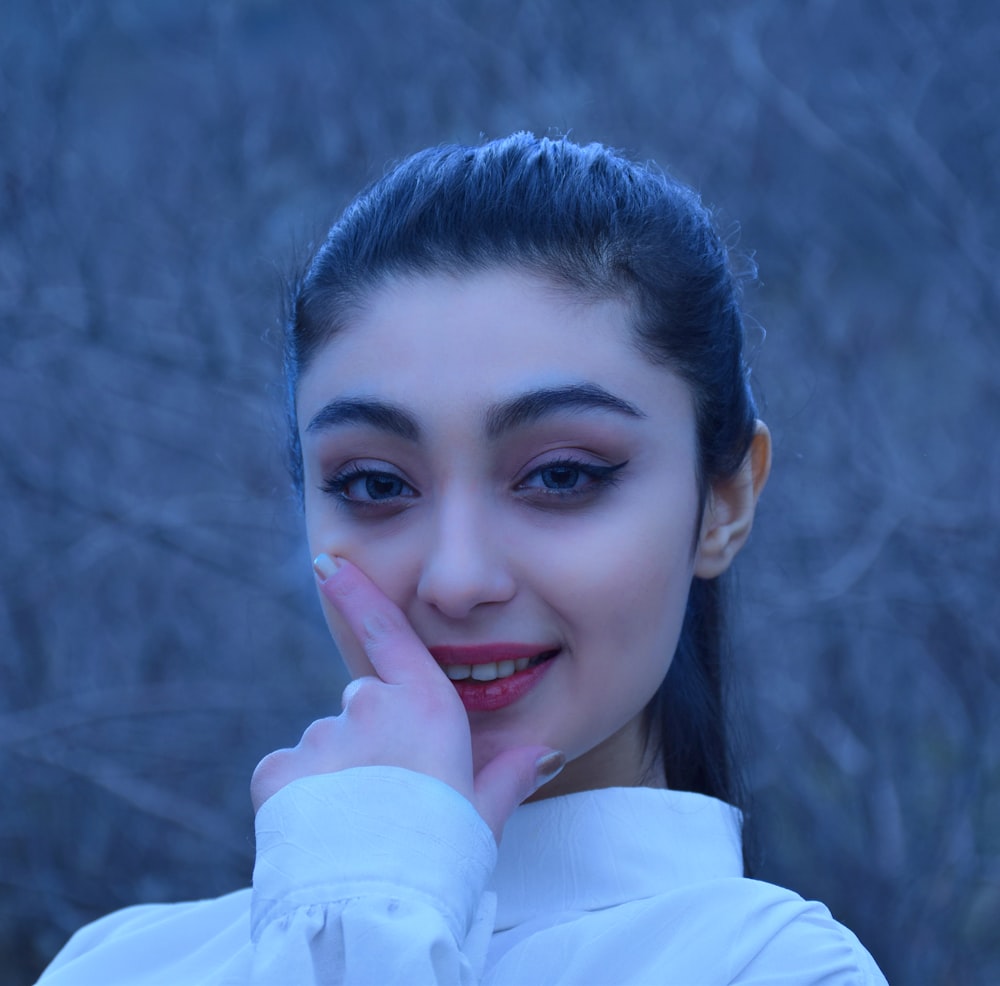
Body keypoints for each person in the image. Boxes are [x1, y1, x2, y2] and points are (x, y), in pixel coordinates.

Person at [39, 133, 887, 984]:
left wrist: (360, 923)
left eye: (561, 476)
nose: (456, 579)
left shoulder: (774, 966)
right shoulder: (119, 963)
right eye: (375, 485)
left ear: (724, 504)